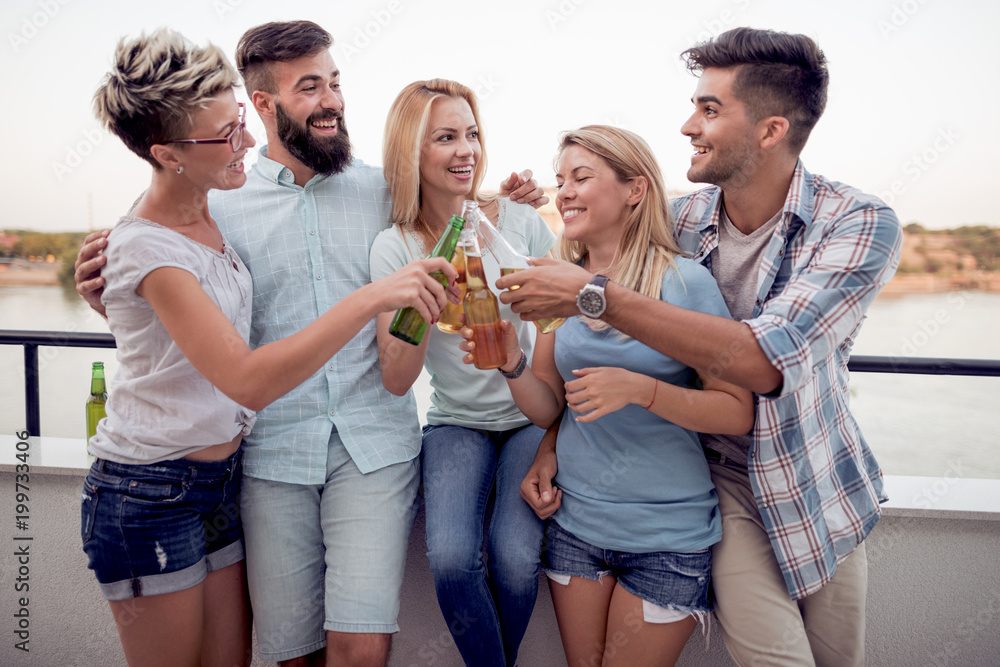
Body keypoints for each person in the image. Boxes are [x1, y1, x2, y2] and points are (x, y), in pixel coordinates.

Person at [74, 21, 547, 667]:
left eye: (335, 82)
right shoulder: (220, 194)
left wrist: (510, 195)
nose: (331, 100)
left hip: (371, 446)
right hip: (270, 452)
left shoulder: (383, 189)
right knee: (294, 654)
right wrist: (100, 283)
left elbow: (450, 198)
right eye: (308, 88)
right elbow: (152, 252)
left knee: (359, 651)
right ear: (262, 104)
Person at [499, 28, 904, 667]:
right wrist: (553, 440)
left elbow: (763, 362)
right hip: (710, 476)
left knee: (837, 657)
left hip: (808, 475)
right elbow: (593, 259)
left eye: (710, 109)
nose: (688, 124)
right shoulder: (680, 220)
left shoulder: (857, 223)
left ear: (770, 131)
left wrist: (590, 296)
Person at [460, 124, 754, 666]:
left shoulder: (683, 283)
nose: (564, 191)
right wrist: (511, 362)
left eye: (581, 178)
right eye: (559, 180)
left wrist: (644, 391)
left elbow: (736, 410)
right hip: (575, 525)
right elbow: (551, 407)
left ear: (634, 190)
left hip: (667, 536)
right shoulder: (557, 281)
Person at [369, 79, 555, 667]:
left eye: (471, 135)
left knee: (516, 555)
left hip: (532, 415)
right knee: (451, 560)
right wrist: (424, 297)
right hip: (455, 422)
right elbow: (398, 381)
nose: (466, 150)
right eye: (445, 138)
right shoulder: (394, 246)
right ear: (411, 154)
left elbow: (560, 323)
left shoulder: (519, 220)